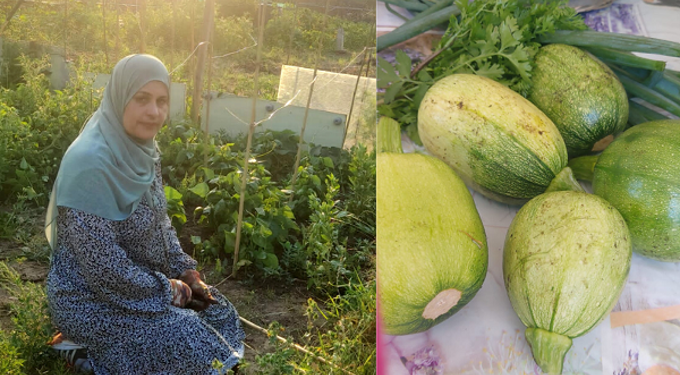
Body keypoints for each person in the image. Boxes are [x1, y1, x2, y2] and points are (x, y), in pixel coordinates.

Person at [44, 54, 245, 374]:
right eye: (142, 99)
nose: (154, 112)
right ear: (120, 97)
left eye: (162, 101)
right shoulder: (89, 164)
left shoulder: (145, 150)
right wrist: (169, 290)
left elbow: (161, 224)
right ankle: (80, 349)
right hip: (89, 298)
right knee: (186, 335)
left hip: (140, 280)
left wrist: (187, 274)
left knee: (218, 311)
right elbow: (103, 267)